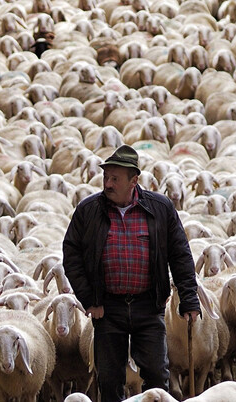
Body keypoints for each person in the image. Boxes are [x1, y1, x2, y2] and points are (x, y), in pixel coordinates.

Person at [62, 144, 200, 402]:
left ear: (134, 180)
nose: (108, 184)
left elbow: (180, 254)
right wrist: (90, 299)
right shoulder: (89, 210)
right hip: (108, 307)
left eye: (115, 179)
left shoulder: (160, 208)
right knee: (109, 379)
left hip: (148, 305)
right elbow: (71, 254)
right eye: (106, 177)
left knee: (157, 376)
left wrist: (189, 298)